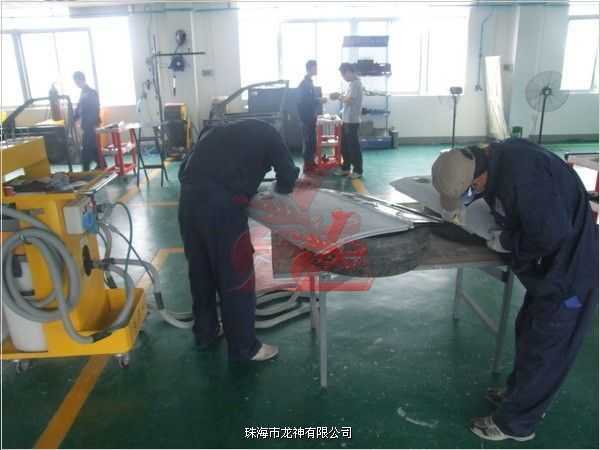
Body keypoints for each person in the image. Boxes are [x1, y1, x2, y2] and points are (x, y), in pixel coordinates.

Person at [431, 138, 598, 442]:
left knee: (548, 345)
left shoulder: (524, 177)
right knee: (529, 329)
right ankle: (519, 395)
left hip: (570, 274)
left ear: (478, 178)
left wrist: (507, 241)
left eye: (470, 190)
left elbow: (551, 236)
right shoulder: (497, 158)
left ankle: (517, 424)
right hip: (550, 271)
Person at [178, 119, 299, 361]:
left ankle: (206, 333)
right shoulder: (270, 133)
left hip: (187, 203)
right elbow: (287, 175)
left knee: (200, 271)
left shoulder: (214, 133)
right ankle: (245, 348)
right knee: (236, 274)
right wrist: (277, 188)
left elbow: (183, 171)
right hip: (222, 208)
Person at [331, 63, 363, 179]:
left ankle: (358, 170)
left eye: (343, 75)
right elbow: (347, 99)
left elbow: (349, 100)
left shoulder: (356, 84)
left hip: (352, 121)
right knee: (345, 146)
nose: (343, 77)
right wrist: (340, 96)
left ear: (349, 72)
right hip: (346, 120)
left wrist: (338, 96)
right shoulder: (351, 84)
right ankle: (345, 168)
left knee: (353, 147)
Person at [297, 60, 326, 174]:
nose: (317, 69)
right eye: (315, 67)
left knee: (312, 141)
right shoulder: (304, 84)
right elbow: (304, 101)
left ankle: (311, 162)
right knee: (308, 141)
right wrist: (319, 100)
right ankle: (308, 165)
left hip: (310, 116)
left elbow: (309, 100)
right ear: (310, 68)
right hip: (306, 118)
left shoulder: (309, 82)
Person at [73, 71, 101, 171]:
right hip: (86, 124)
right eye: (75, 82)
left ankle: (85, 170)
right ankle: (102, 164)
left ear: (82, 79)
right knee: (93, 146)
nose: (76, 84)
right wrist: (74, 118)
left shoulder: (91, 92)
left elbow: (96, 109)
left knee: (86, 148)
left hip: (91, 124)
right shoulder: (83, 93)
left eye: (77, 81)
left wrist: (93, 124)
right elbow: (79, 107)